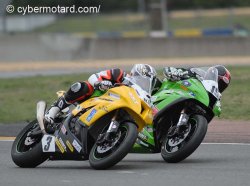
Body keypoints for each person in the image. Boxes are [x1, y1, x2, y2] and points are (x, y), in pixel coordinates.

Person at [44, 64, 158, 125]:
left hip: (114, 110)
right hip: (96, 99)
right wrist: (100, 83)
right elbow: (93, 77)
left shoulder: (143, 95)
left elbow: (152, 114)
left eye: (147, 82)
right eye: (141, 80)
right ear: (134, 74)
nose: (143, 84)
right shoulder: (120, 74)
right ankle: (53, 110)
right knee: (83, 86)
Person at [163, 65, 231, 93]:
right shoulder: (196, 74)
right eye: (219, 81)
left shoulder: (215, 98)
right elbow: (169, 69)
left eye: (223, 85)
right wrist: (176, 73)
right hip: (171, 90)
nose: (219, 85)